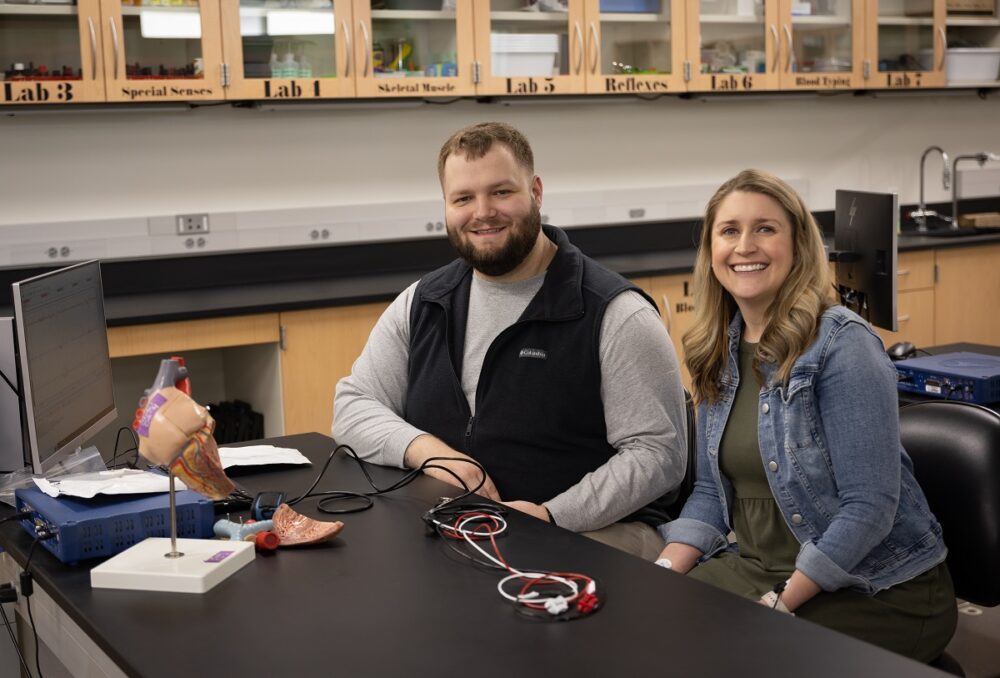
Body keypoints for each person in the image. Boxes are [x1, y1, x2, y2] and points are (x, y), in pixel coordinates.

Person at [333, 122, 687, 559]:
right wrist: (433, 454)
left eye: (501, 192)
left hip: (592, 533)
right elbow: (353, 404)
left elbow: (659, 454)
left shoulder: (613, 313)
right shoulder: (424, 302)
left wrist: (548, 516)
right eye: (463, 198)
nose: (482, 212)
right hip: (461, 529)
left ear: (536, 192)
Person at [655, 169, 956, 662]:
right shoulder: (717, 350)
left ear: (797, 245)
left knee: (721, 654)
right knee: (645, 621)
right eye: (729, 231)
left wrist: (780, 602)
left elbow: (871, 506)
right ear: (711, 252)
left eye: (765, 229)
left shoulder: (842, 345)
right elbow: (710, 491)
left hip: (877, 588)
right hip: (759, 568)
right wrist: (662, 574)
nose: (745, 245)